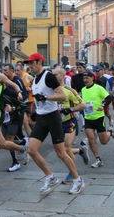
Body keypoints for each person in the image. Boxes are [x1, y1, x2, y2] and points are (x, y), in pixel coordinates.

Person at [24, 53, 85, 194]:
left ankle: (78, 180)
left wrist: (47, 97)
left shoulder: (48, 76)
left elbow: (62, 95)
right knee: (31, 150)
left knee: (61, 153)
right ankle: (50, 177)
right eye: (29, 63)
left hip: (53, 118)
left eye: (32, 62)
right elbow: (39, 100)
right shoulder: (35, 79)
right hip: (41, 118)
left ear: (39, 62)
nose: (30, 65)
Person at [52, 67, 89, 184]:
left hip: (69, 121)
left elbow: (83, 105)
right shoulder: (50, 90)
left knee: (66, 149)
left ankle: (72, 174)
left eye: (56, 74)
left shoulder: (69, 91)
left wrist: (70, 109)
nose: (53, 76)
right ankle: (80, 151)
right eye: (52, 74)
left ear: (63, 76)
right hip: (57, 123)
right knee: (60, 151)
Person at [15, 63, 34, 136]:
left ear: (22, 70)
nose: (16, 72)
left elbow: (36, 86)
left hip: (30, 100)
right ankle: (31, 138)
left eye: (18, 70)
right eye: (15, 70)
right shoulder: (15, 78)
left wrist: (30, 88)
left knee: (30, 121)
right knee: (25, 121)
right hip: (22, 102)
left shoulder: (28, 77)